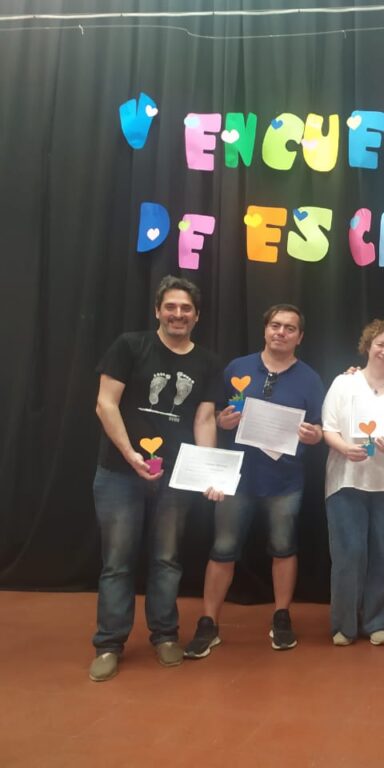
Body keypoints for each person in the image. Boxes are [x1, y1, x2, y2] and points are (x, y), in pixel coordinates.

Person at [90, 275, 222, 682]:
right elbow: (105, 404)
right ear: (157, 310)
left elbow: (204, 419)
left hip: (176, 479)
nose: (178, 314)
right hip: (119, 473)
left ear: (196, 316)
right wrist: (131, 456)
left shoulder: (207, 362)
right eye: (171, 306)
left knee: (167, 560)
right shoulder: (130, 346)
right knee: (117, 563)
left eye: (186, 309)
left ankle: (165, 635)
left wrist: (208, 471)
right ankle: (109, 643)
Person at [183, 304, 324, 658]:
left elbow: (321, 427)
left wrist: (313, 435)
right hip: (237, 478)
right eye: (275, 325)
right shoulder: (237, 368)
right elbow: (211, 414)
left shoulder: (310, 378)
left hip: (285, 479)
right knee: (223, 548)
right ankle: (208, 622)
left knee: (284, 547)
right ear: (265, 330)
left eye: (289, 328)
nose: (281, 332)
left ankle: (281, 616)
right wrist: (222, 421)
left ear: (300, 337)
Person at [321, 320, 384, 647]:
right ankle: (344, 624)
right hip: (346, 481)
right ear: (368, 345)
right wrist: (342, 447)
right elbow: (328, 428)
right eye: (380, 344)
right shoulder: (344, 383)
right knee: (348, 555)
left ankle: (381, 620)